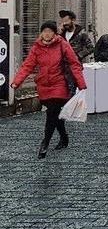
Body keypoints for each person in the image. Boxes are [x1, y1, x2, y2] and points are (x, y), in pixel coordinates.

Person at [11, 21, 87, 159]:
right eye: (44, 31)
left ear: (54, 33)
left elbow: (74, 64)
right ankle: (64, 137)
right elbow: (27, 65)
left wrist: (81, 84)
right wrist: (17, 82)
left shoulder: (62, 44)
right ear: (41, 33)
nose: (47, 34)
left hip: (59, 84)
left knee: (51, 113)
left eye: (49, 31)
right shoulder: (37, 47)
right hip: (43, 86)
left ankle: (45, 143)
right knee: (55, 114)